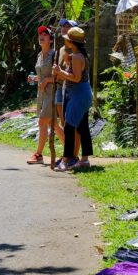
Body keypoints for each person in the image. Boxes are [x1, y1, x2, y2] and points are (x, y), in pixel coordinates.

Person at [52, 26, 93, 172]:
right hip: (83, 93)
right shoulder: (80, 56)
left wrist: (60, 71)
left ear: (72, 42)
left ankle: (66, 160)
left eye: (68, 40)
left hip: (78, 94)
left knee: (69, 127)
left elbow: (75, 78)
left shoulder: (76, 57)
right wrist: (67, 63)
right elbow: (78, 73)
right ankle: (85, 159)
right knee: (82, 126)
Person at [27, 26, 64, 164]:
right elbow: (42, 76)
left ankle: (38, 154)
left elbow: (60, 77)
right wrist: (35, 78)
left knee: (42, 121)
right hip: (41, 94)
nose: (41, 36)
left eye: (45, 34)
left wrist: (47, 80)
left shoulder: (54, 55)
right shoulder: (39, 56)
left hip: (52, 93)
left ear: (51, 39)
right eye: (40, 34)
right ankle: (70, 152)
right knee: (53, 124)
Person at [55, 18, 81, 165]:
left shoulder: (76, 50)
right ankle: (67, 153)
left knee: (73, 124)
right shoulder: (61, 50)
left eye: (68, 26)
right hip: (60, 87)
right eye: (63, 26)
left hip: (71, 89)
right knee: (64, 123)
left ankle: (74, 156)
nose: (64, 28)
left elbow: (74, 73)